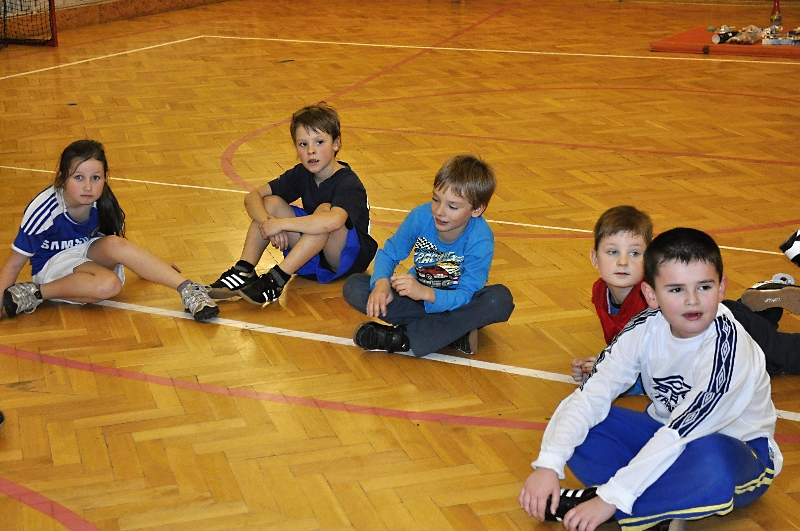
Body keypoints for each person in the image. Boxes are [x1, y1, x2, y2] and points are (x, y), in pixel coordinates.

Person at [520, 227, 782, 531]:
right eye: (676, 290)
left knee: (712, 462)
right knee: (582, 423)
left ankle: (605, 504)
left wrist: (610, 498)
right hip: (662, 435)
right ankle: (658, 509)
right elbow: (590, 396)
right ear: (651, 295)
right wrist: (548, 465)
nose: (692, 301)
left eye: (704, 287)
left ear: (722, 288)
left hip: (741, 454)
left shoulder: (728, 348)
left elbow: (682, 434)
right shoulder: (643, 328)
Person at [572, 206, 800, 381]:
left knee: (782, 357)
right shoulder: (600, 291)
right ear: (595, 258)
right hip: (713, 321)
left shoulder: (652, 300)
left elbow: (664, 365)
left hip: (728, 326)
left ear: (649, 260)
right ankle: (765, 300)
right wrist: (604, 363)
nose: (622, 262)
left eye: (634, 253)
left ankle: (758, 306)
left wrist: (610, 371)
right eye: (612, 252)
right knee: (760, 345)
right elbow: (625, 343)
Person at [0, 139, 218, 322]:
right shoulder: (44, 210)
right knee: (109, 285)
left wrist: (152, 268)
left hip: (85, 255)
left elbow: (117, 249)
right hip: (52, 265)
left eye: (96, 178)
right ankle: (35, 292)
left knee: (114, 242)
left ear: (105, 177)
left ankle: (189, 289)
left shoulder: (103, 201)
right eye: (78, 177)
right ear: (62, 177)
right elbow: (13, 264)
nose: (88, 186)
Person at [342, 154, 514, 357]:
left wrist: (426, 293)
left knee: (499, 300)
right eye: (435, 199)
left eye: (452, 206)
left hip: (457, 305)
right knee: (355, 287)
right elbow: (389, 254)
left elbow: (467, 293)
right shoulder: (420, 216)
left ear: (477, 209)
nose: (439, 211)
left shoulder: (480, 238)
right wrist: (381, 284)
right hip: (418, 303)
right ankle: (453, 333)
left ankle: (403, 339)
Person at [207, 102, 377, 304]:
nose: (311, 151)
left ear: (336, 143)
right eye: (303, 144)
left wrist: (281, 224)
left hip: (346, 260)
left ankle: (277, 278)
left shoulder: (348, 182)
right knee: (270, 202)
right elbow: (252, 197)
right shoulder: (301, 173)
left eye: (319, 142)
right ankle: (244, 270)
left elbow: (333, 222)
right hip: (312, 254)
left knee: (324, 212)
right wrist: (268, 222)